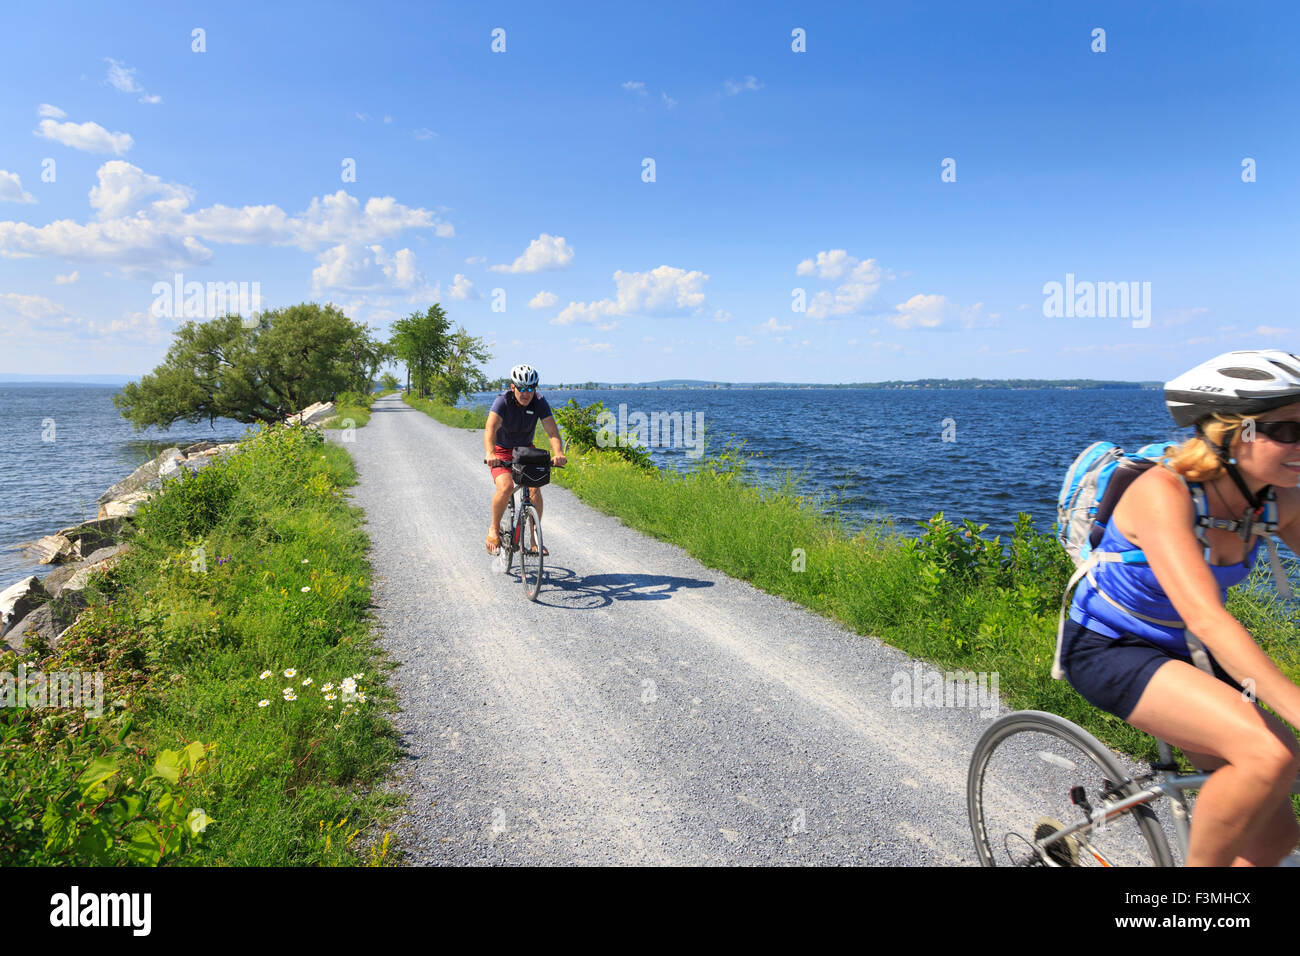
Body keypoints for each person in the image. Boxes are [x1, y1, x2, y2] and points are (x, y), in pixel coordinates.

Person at [1061, 349, 1300, 866]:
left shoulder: (1279, 498)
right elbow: (1207, 617)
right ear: (1232, 433)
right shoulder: (1163, 492)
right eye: (1287, 430)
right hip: (1110, 646)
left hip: (1188, 652)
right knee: (1270, 755)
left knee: (1274, 840)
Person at [483, 364, 567, 555]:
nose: (526, 393)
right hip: (502, 452)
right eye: (521, 388)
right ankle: (494, 528)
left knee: (535, 489)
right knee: (506, 487)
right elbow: (490, 429)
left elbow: (552, 431)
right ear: (513, 387)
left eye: (530, 388)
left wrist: (559, 453)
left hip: (525, 452)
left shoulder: (539, 402)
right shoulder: (502, 402)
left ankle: (534, 537)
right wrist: (490, 453)